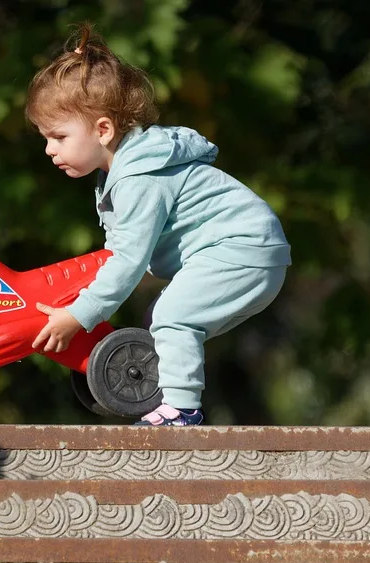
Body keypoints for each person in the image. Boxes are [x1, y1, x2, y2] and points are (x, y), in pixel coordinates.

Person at [28, 24, 291, 426]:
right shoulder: (122, 173)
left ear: (103, 130)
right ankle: (157, 395)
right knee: (166, 325)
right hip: (250, 251)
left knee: (172, 317)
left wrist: (80, 316)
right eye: (45, 138)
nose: (49, 149)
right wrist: (77, 301)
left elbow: (128, 261)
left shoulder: (139, 177)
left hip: (242, 248)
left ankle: (182, 412)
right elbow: (116, 254)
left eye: (58, 136)